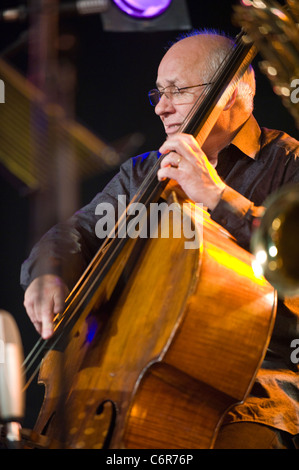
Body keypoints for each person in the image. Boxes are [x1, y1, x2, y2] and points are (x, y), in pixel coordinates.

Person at [20, 30, 299, 449]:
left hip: (254, 391)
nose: (162, 108)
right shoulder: (144, 173)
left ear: (230, 93)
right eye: (159, 93)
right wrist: (49, 274)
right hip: (134, 376)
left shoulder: (289, 164)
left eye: (177, 91)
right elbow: (73, 233)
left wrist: (217, 196)